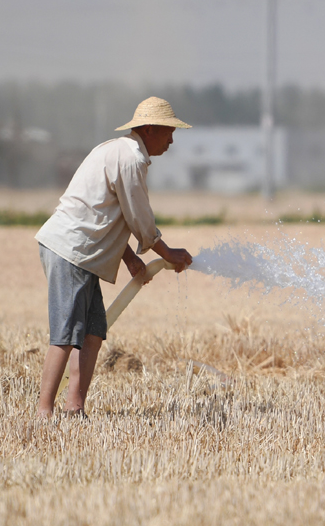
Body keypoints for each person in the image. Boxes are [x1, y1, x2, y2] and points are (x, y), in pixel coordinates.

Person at [34, 96, 194, 418]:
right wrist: (168, 252)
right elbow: (139, 219)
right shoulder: (130, 159)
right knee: (66, 333)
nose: (172, 139)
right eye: (168, 131)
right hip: (72, 250)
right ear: (149, 130)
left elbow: (106, 214)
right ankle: (44, 412)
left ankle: (74, 409)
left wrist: (131, 260)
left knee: (92, 331)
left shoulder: (117, 151)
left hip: (83, 252)